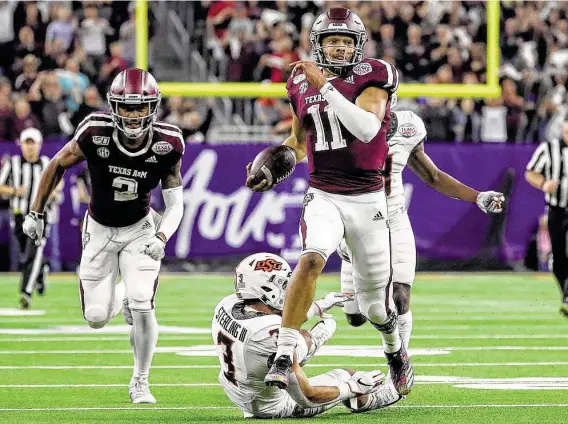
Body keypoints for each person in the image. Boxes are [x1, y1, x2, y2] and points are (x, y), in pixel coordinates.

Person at [246, 7, 412, 395]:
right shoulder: (299, 82)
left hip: (368, 199)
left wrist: (325, 87)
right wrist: (273, 165)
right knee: (311, 258)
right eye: (330, 41)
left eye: (345, 41)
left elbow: (368, 129)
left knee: (376, 308)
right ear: (317, 45)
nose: (338, 48)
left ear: (358, 46)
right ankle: (285, 356)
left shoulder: (374, 74)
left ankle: (395, 351)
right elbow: (298, 143)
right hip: (323, 193)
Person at [21, 69, 185, 404]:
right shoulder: (95, 131)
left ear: (153, 107)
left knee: (143, 304)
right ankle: (124, 291)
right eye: (127, 107)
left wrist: (162, 237)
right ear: (114, 107)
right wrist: (35, 212)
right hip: (98, 229)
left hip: (140, 228)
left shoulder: (168, 143)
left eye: (141, 108)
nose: (134, 115)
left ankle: (140, 381)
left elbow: (177, 203)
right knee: (95, 318)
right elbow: (56, 164)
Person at [338, 109, 505, 350]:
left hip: (394, 218)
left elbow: (433, 175)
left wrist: (477, 197)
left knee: (400, 294)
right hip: (357, 223)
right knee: (356, 317)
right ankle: (349, 261)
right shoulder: (341, 121)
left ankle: (399, 368)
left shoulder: (406, 126)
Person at [213, 252, 400, 418]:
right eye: (283, 284)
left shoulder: (228, 305)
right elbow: (308, 397)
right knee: (347, 374)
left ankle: (301, 349)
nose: (289, 288)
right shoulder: (271, 337)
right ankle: (366, 400)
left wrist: (318, 306)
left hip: (240, 386)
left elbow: (276, 319)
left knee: (300, 335)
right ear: (266, 289)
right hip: (270, 405)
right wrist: (352, 387)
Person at [0, 128, 57, 308]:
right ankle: (42, 270)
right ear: (22, 145)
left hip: (39, 216)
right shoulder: (13, 163)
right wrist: (16, 191)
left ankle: (26, 292)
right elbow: (1, 186)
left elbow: (57, 184)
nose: (30, 148)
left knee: (33, 252)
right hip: (18, 216)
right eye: (27, 143)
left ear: (39, 145)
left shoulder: (46, 163)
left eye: (33, 144)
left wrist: (53, 193)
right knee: (26, 255)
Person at [525, 120, 568, 315]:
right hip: (556, 209)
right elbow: (531, 172)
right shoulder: (548, 148)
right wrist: (544, 184)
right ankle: (566, 295)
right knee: (558, 257)